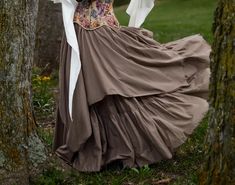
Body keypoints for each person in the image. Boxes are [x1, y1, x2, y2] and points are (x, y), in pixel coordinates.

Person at [52, 0, 211, 172]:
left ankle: (119, 147)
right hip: (91, 33)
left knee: (110, 87)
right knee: (106, 88)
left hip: (95, 34)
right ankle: (111, 146)